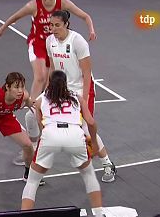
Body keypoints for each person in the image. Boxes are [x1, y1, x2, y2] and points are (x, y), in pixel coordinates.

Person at [0, 0, 97, 166]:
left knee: (84, 125)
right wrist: (2, 28)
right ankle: (31, 105)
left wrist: (91, 29)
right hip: (39, 42)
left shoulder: (63, 7)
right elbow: (16, 16)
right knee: (41, 77)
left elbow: (84, 15)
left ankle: (102, 158)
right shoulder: (33, 6)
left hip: (57, 47)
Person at [43, 10, 116, 182]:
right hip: (61, 89)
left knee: (85, 129)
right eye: (51, 25)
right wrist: (49, 89)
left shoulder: (78, 41)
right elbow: (53, 68)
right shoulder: (50, 41)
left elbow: (86, 72)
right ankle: (35, 171)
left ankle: (107, 164)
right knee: (36, 117)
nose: (53, 29)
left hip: (81, 89)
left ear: (66, 24)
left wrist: (84, 99)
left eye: (57, 25)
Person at [21, 70, 104, 217]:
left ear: (50, 82)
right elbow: (91, 122)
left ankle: (23, 215)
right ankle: (99, 213)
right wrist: (95, 144)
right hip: (74, 135)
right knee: (89, 174)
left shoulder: (42, 99)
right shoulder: (77, 97)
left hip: (50, 134)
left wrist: (45, 138)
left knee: (33, 181)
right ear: (66, 83)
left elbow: (39, 122)